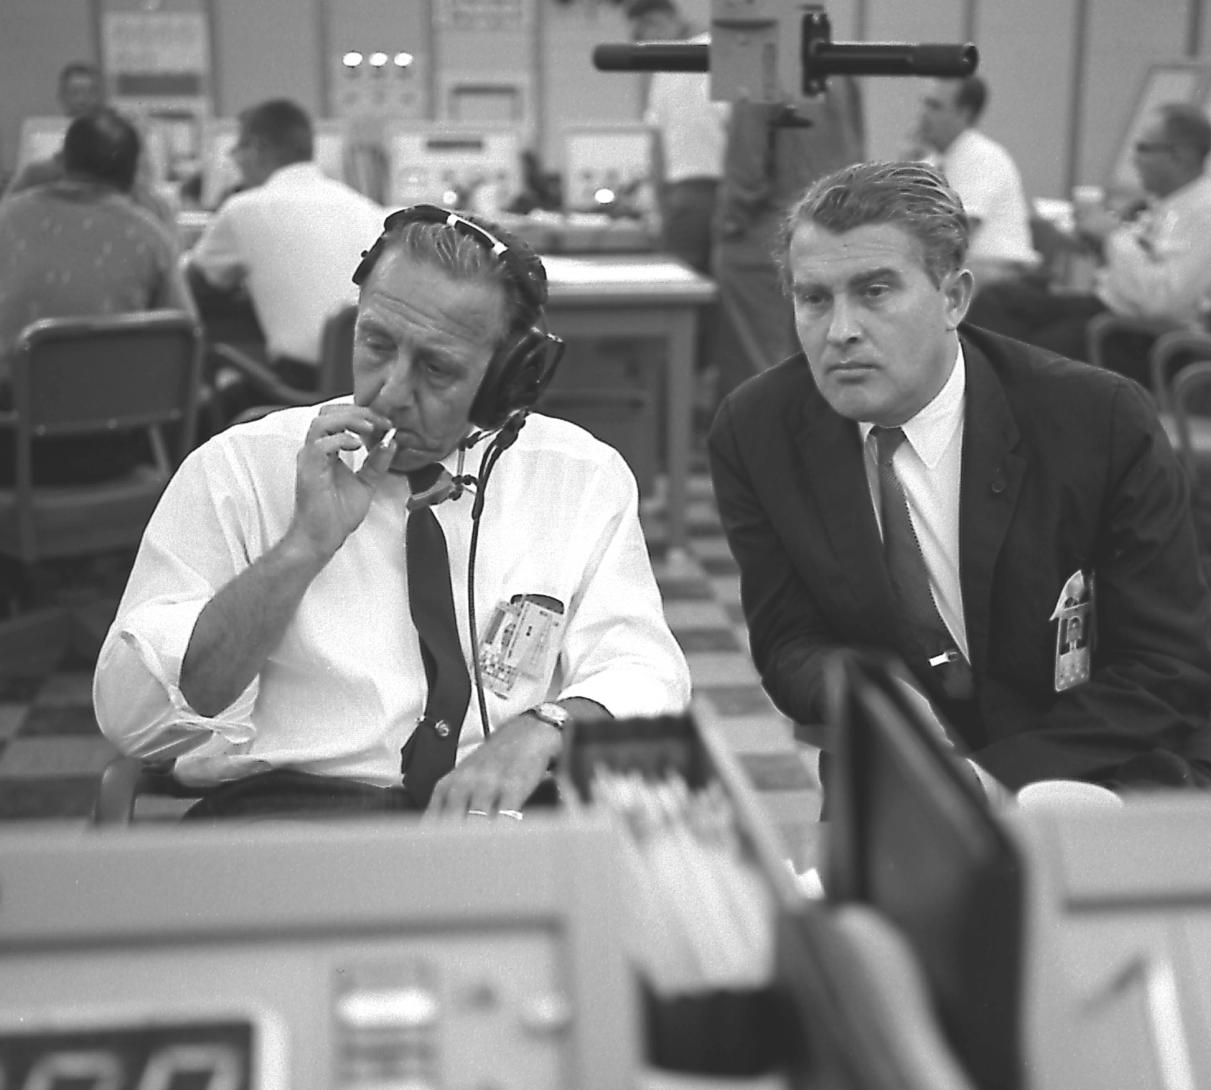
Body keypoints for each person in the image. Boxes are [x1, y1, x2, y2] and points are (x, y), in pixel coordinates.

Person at [94, 205, 692, 819]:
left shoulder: (579, 477)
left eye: (436, 368)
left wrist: (550, 725)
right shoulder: (240, 469)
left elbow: (644, 667)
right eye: (376, 344)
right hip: (290, 814)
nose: (391, 392)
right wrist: (301, 549)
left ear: (508, 379)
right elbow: (133, 722)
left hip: (495, 818)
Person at [707, 159, 1211, 796]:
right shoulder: (758, 430)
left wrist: (991, 781)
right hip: (912, 773)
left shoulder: (1098, 420)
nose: (841, 331)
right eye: (814, 298)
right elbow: (788, 640)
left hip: (1115, 758)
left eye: (875, 292)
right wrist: (862, 690)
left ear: (953, 298)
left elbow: (1168, 668)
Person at [965, 102, 1211, 382]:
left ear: (1180, 155)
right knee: (1000, 300)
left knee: (1040, 348)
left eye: (1143, 148)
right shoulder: (1164, 205)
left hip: (1144, 337)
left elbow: (1162, 303)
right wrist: (1099, 245)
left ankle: (992, 398)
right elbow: (1140, 268)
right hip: (1111, 311)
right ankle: (976, 393)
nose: (1134, 159)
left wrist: (1113, 236)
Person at [0, 107, 195, 484]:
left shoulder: (7, 219)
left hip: (10, 451)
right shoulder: (149, 236)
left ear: (62, 160)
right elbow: (185, 345)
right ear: (133, 172)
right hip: (114, 451)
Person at [185, 98, 387, 396]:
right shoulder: (366, 208)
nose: (236, 162)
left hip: (304, 387)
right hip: (378, 383)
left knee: (218, 368)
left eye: (238, 150)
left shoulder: (244, 209)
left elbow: (192, 282)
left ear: (257, 148)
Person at [713, 80, 865, 401]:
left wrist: (727, 225)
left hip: (768, 238)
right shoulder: (843, 72)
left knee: (760, 375)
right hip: (834, 235)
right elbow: (856, 157)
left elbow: (746, 176)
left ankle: (762, 432)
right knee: (820, 368)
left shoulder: (760, 71)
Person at [3, 61, 177, 237]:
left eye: (90, 92)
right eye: (75, 93)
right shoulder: (36, 173)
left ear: (102, 95)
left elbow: (147, 184)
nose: (82, 100)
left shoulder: (122, 139)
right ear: (61, 97)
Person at [624, 0, 729, 279]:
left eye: (641, 35)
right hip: (738, 196)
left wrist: (659, 211)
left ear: (658, 22)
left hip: (689, 197)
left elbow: (657, 150)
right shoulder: (732, 53)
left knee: (682, 288)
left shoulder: (668, 65)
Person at [908, 75, 1038, 288]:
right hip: (965, 269)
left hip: (998, 274)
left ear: (964, 113)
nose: (923, 113)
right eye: (924, 103)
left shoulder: (982, 156)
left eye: (934, 106)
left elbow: (957, 233)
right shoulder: (933, 161)